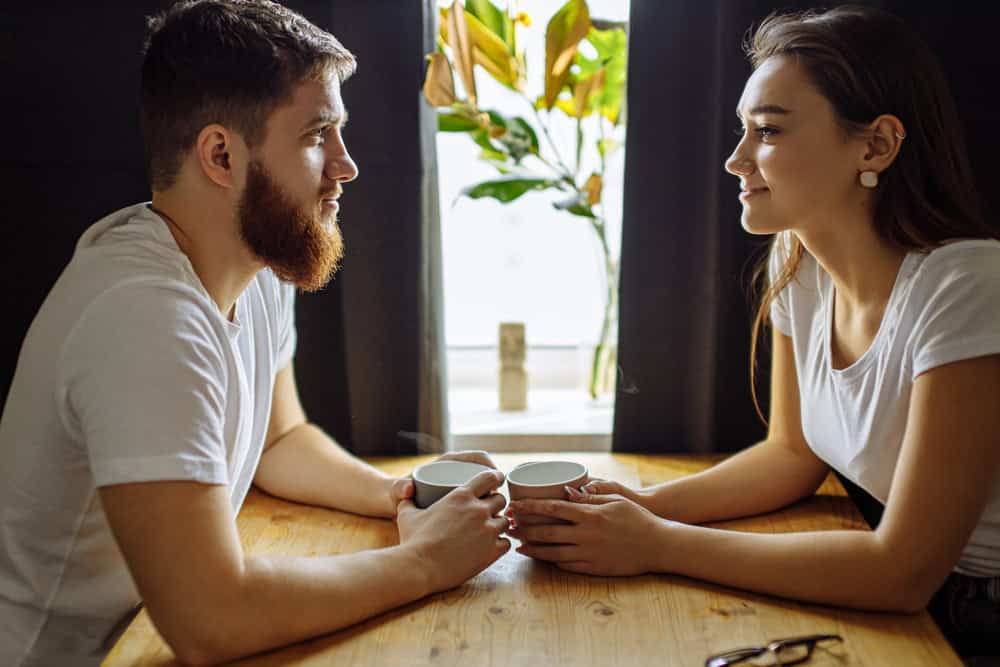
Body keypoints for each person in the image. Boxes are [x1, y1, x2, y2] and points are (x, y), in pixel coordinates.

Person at [0, 2, 510, 665]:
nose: (346, 165)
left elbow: (279, 440)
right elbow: (211, 617)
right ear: (221, 154)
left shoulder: (254, 261)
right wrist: (424, 562)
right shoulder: (145, 316)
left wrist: (402, 494)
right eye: (317, 135)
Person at [507, 5, 1000, 659]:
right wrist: (645, 503)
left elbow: (902, 571)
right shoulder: (799, 263)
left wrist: (657, 543)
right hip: (912, 592)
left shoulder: (967, 286)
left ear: (876, 145)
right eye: (743, 130)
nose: (737, 160)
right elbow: (791, 455)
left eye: (767, 131)